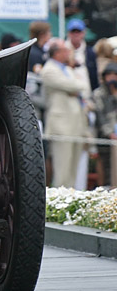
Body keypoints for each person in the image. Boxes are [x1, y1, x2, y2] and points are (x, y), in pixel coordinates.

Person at [40, 39, 92, 188]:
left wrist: (76, 89)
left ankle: (71, 200)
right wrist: (76, 88)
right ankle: (60, 200)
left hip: (77, 125)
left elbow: (85, 88)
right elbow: (71, 85)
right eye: (65, 50)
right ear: (56, 53)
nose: (69, 53)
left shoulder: (69, 70)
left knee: (73, 168)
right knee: (62, 167)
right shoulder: (49, 69)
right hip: (61, 126)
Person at [91, 63, 117, 188]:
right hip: (104, 134)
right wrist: (109, 132)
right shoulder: (99, 93)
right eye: (109, 75)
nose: (112, 78)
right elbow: (100, 115)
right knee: (104, 161)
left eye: (114, 75)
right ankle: (104, 187)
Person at [66, 19, 98, 92]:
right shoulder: (62, 50)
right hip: (68, 92)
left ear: (84, 33)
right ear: (68, 33)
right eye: (73, 32)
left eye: (78, 32)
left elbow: (94, 75)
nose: (76, 34)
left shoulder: (90, 52)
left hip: (86, 92)